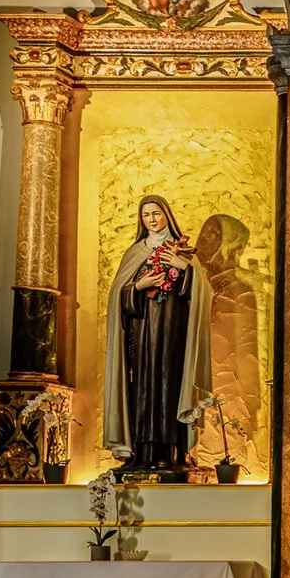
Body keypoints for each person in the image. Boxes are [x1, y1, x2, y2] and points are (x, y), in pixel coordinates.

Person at [104, 194, 212, 476]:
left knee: (170, 385)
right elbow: (117, 294)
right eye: (146, 215)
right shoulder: (135, 252)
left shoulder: (184, 252)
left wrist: (182, 268)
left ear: (167, 215)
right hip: (141, 336)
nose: (151, 220)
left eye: (156, 214)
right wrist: (139, 285)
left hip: (173, 333)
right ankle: (142, 452)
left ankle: (172, 452)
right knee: (142, 387)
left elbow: (203, 292)